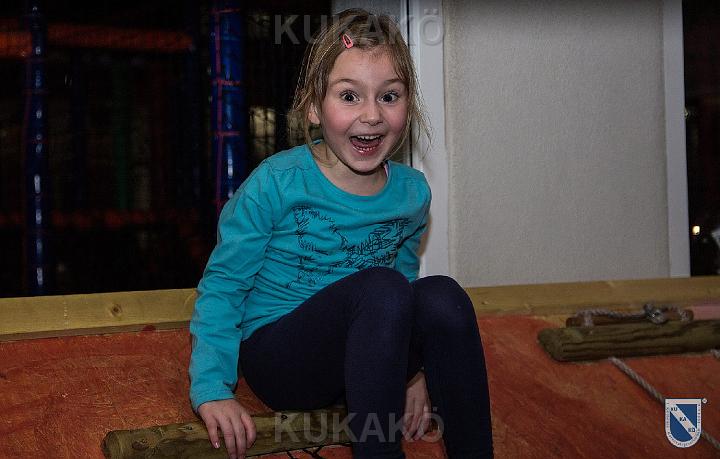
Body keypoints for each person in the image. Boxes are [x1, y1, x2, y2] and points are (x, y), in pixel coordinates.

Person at [189, 8, 493, 459]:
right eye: (349, 96)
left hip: (366, 354)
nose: (371, 115)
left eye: (389, 96)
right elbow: (224, 286)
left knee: (443, 296)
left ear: (409, 105)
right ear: (314, 107)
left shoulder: (412, 193)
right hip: (282, 360)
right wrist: (212, 388)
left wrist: (416, 374)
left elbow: (407, 285)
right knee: (382, 288)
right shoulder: (276, 183)